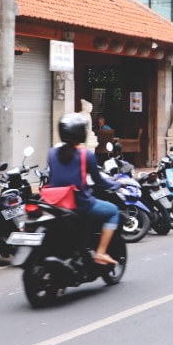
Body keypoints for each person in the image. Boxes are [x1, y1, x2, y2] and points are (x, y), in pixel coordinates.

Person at [48, 113, 120, 265]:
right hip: (79, 203)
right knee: (113, 211)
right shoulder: (85, 155)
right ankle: (101, 252)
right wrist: (117, 184)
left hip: (55, 203)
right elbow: (99, 182)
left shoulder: (52, 153)